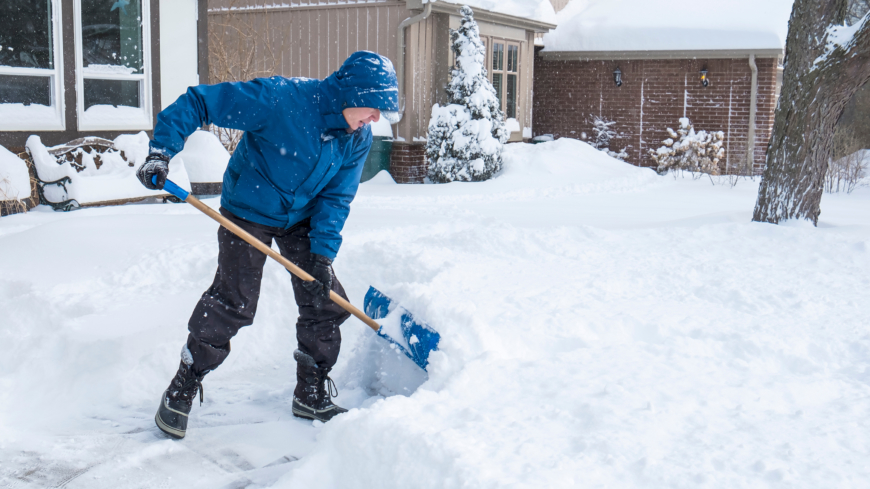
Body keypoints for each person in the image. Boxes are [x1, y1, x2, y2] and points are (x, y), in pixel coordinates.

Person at [137, 51, 400, 439]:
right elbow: (200, 101)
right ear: (352, 93)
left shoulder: (356, 138)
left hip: (302, 216)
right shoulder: (281, 99)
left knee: (324, 299)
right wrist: (161, 152)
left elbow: (336, 199)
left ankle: (310, 392)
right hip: (249, 208)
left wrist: (323, 258)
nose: (377, 119)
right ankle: (183, 384)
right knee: (234, 301)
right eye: (375, 107)